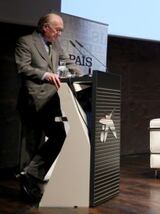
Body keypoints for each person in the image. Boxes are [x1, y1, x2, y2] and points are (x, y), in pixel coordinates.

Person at [15, 13, 81, 203]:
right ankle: (27, 191)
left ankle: (30, 176)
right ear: (45, 27)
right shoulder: (25, 42)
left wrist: (82, 75)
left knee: (60, 135)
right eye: (57, 30)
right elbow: (23, 67)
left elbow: (68, 62)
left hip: (51, 102)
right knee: (31, 145)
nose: (60, 34)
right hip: (32, 101)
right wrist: (45, 74)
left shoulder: (55, 45)